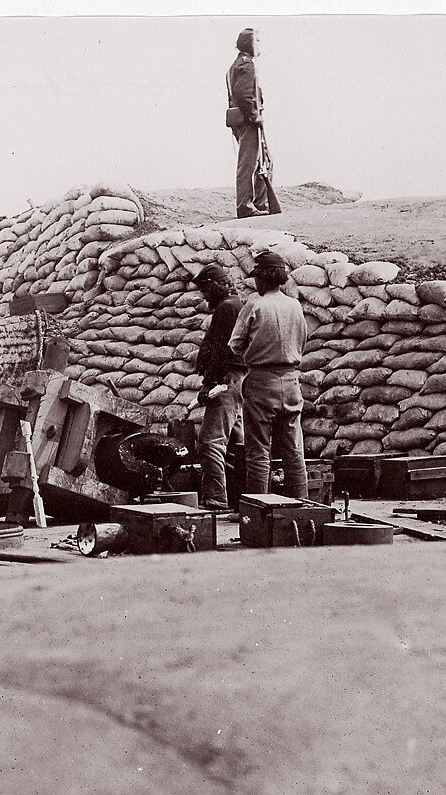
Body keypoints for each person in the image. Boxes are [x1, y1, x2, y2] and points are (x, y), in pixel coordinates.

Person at [228, 250, 308, 498]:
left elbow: (235, 345)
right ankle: (302, 505)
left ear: (262, 278)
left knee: (258, 449)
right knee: (293, 450)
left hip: (261, 381)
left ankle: (260, 508)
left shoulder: (255, 304)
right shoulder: (294, 305)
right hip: (291, 380)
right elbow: (303, 340)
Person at [191, 264, 246, 511]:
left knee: (209, 441)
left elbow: (221, 352)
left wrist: (209, 384)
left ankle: (216, 499)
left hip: (226, 380)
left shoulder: (227, 308)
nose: (204, 296)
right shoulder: (237, 305)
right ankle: (238, 497)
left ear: (215, 286)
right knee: (235, 442)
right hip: (238, 380)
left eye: (206, 290)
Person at [227, 28, 268, 219]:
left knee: (259, 162)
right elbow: (243, 95)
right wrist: (254, 116)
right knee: (249, 164)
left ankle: (259, 204)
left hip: (241, 122)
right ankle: (247, 206)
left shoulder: (235, 65)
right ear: (248, 44)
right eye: (257, 40)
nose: (259, 44)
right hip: (248, 122)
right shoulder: (247, 64)